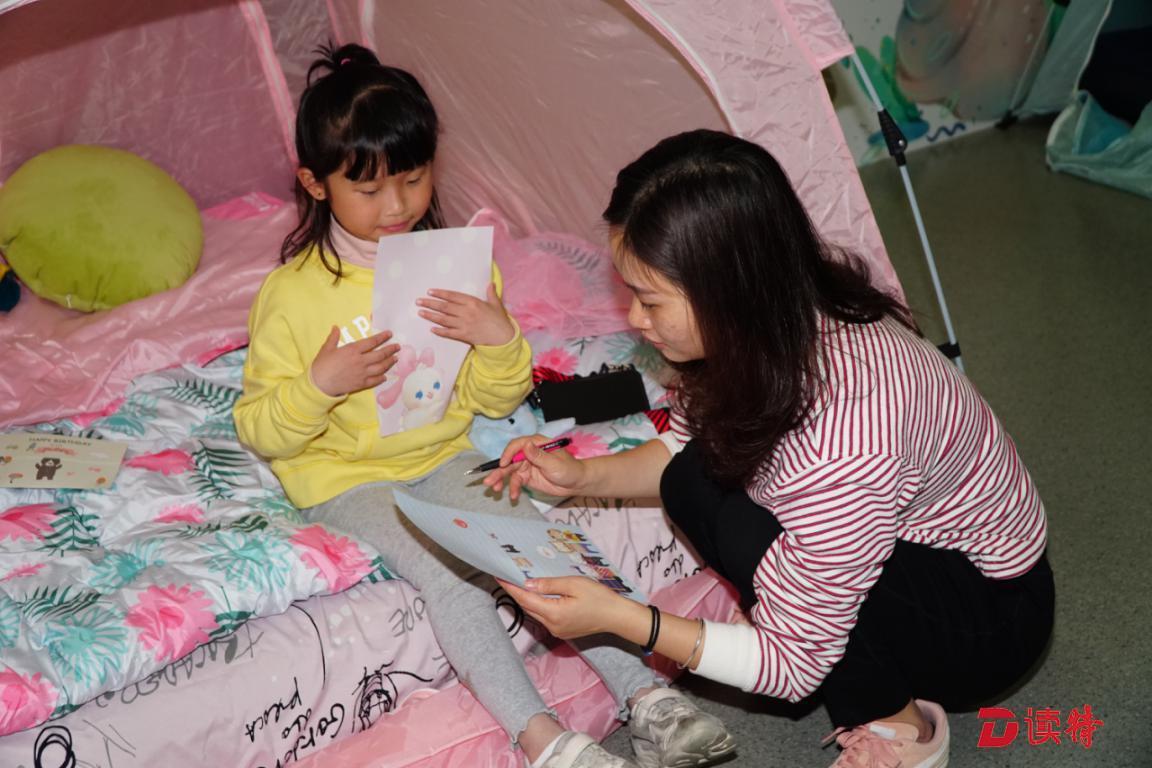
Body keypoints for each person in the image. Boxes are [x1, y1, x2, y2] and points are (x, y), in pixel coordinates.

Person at [233, 45, 734, 768]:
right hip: (344, 477)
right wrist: (320, 385)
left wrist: (499, 339)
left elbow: (490, 398)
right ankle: (547, 743)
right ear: (315, 184)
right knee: (448, 574)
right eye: (368, 190)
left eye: (413, 179)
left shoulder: (455, 264)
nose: (397, 206)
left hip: (445, 450)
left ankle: (647, 697)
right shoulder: (290, 295)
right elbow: (261, 429)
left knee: (536, 546)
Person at [488, 129, 1055, 768]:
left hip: (988, 619)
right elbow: (684, 444)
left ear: (727, 290)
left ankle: (900, 724)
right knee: (692, 479)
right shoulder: (776, 321)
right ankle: (819, 616)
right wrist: (582, 477)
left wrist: (621, 617)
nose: (635, 321)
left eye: (649, 300)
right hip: (917, 554)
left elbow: (790, 666)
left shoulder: (847, 434)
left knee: (751, 532)